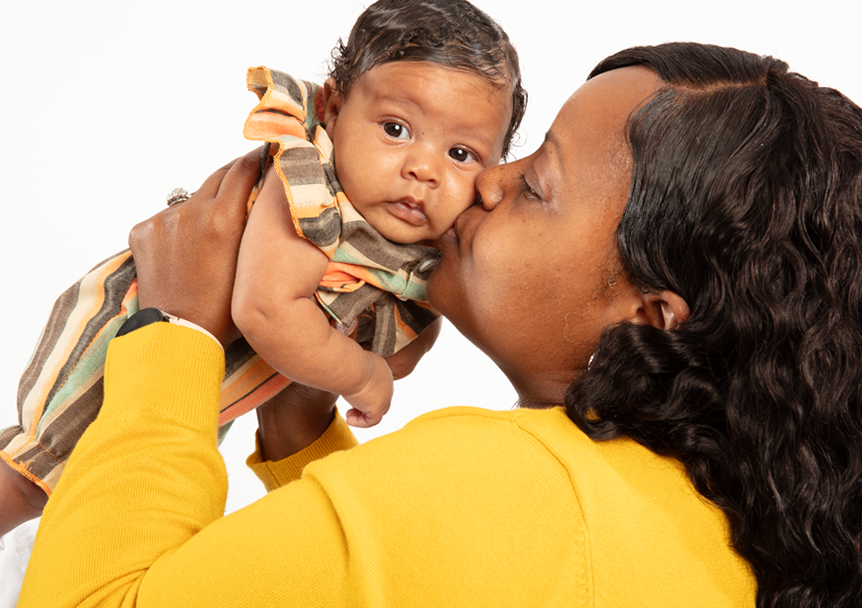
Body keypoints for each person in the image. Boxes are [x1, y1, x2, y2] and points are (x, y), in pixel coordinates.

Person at [19, 42, 862, 607]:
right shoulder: (706, 527)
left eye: (537, 184)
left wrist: (173, 330)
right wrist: (302, 423)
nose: (489, 182)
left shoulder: (513, 483)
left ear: (652, 316)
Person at [0, 0, 526, 537]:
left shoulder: (412, 234)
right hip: (124, 342)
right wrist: (360, 372)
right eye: (395, 129)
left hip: (198, 378)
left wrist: (396, 345)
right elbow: (267, 310)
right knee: (36, 478)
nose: (424, 168)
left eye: (461, 154)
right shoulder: (309, 183)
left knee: (118, 495)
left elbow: (410, 320)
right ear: (333, 109)